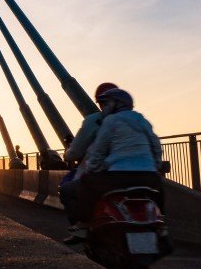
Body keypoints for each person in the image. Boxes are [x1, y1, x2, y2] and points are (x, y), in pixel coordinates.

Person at [67, 87, 163, 242]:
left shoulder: (111, 121)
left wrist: (92, 168)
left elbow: (99, 149)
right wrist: (155, 164)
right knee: (157, 192)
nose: (104, 107)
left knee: (87, 183)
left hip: (119, 176)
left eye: (107, 103)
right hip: (148, 176)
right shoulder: (142, 120)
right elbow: (156, 145)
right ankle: (161, 225)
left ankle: (84, 224)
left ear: (117, 104)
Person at [59, 82, 118, 243]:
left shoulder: (95, 121)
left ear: (99, 102)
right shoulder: (136, 120)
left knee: (66, 190)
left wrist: (69, 154)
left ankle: (81, 229)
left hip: (104, 176)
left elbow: (76, 152)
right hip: (136, 174)